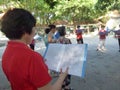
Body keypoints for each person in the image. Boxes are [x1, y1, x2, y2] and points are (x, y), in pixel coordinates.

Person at [1, 8, 68, 90]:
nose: (35, 31)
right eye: (33, 27)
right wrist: (62, 76)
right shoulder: (32, 57)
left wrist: (41, 68)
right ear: (25, 30)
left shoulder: (7, 52)